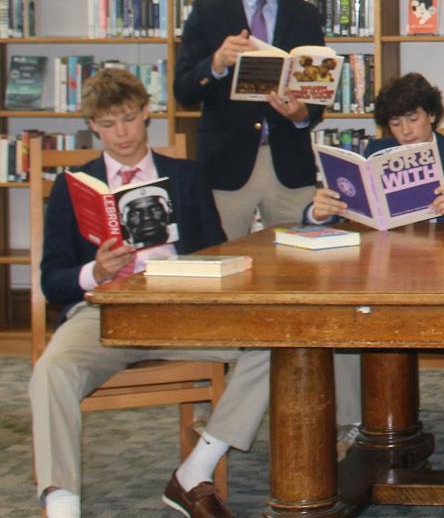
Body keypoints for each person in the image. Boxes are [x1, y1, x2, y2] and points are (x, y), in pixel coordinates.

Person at [30, 69, 269, 518]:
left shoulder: (186, 175)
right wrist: (95, 271)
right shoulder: (73, 185)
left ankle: (196, 469)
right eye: (107, 124)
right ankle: (62, 501)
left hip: (179, 309)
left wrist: (188, 272)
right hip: (104, 312)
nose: (121, 133)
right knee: (52, 369)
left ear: (146, 114)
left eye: (128, 119)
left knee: (276, 345)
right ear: (93, 126)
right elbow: (52, 281)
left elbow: (217, 250)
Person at [306, 73, 444, 468]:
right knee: (343, 312)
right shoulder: (375, 153)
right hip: (388, 269)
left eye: (413, 119)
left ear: (432, 115)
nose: (404, 132)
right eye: (395, 123)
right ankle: (351, 423)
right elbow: (341, 210)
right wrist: (319, 211)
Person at [174, 0, 327, 241]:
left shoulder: (305, 16)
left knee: (299, 260)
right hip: (226, 163)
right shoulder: (207, 12)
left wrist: (302, 114)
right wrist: (216, 63)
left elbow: (317, 93)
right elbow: (183, 91)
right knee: (220, 257)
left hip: (289, 163)